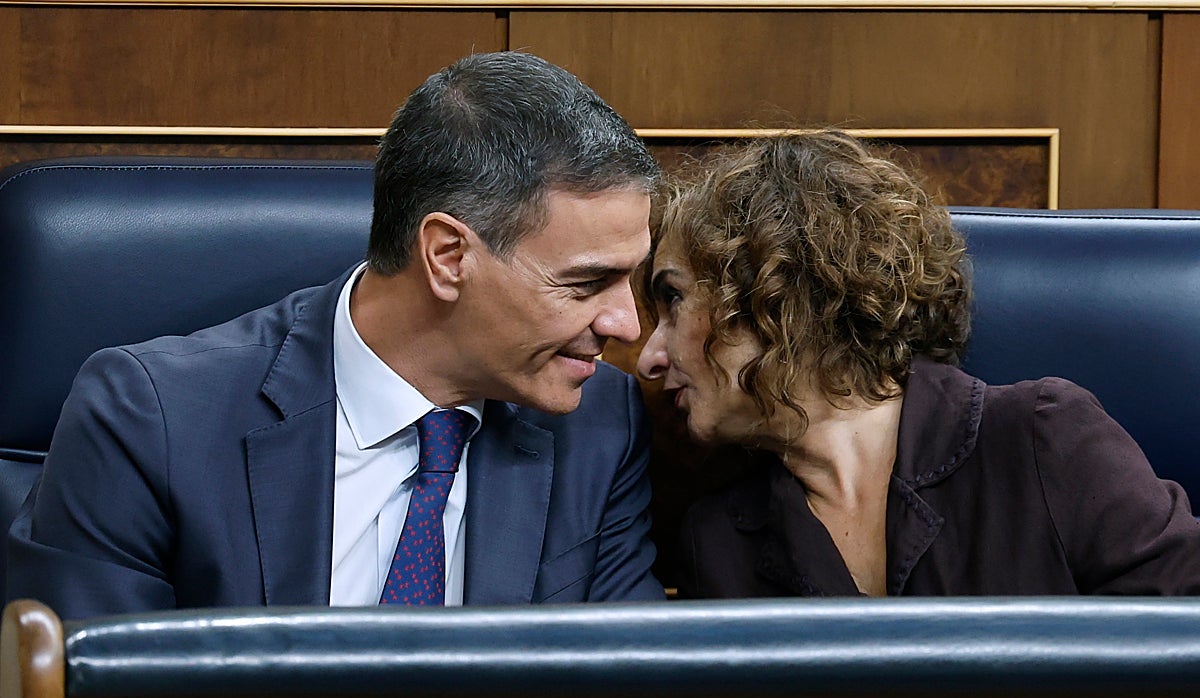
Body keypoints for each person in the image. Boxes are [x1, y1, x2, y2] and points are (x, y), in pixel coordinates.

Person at [6, 51, 666, 619]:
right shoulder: (147, 422)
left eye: (630, 280)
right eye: (587, 283)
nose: (626, 325)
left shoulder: (600, 427)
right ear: (447, 257)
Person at [636, 130, 1200, 598]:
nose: (648, 359)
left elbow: (1179, 641)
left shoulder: (1044, 438)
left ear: (776, 292)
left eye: (673, 299)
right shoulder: (717, 540)